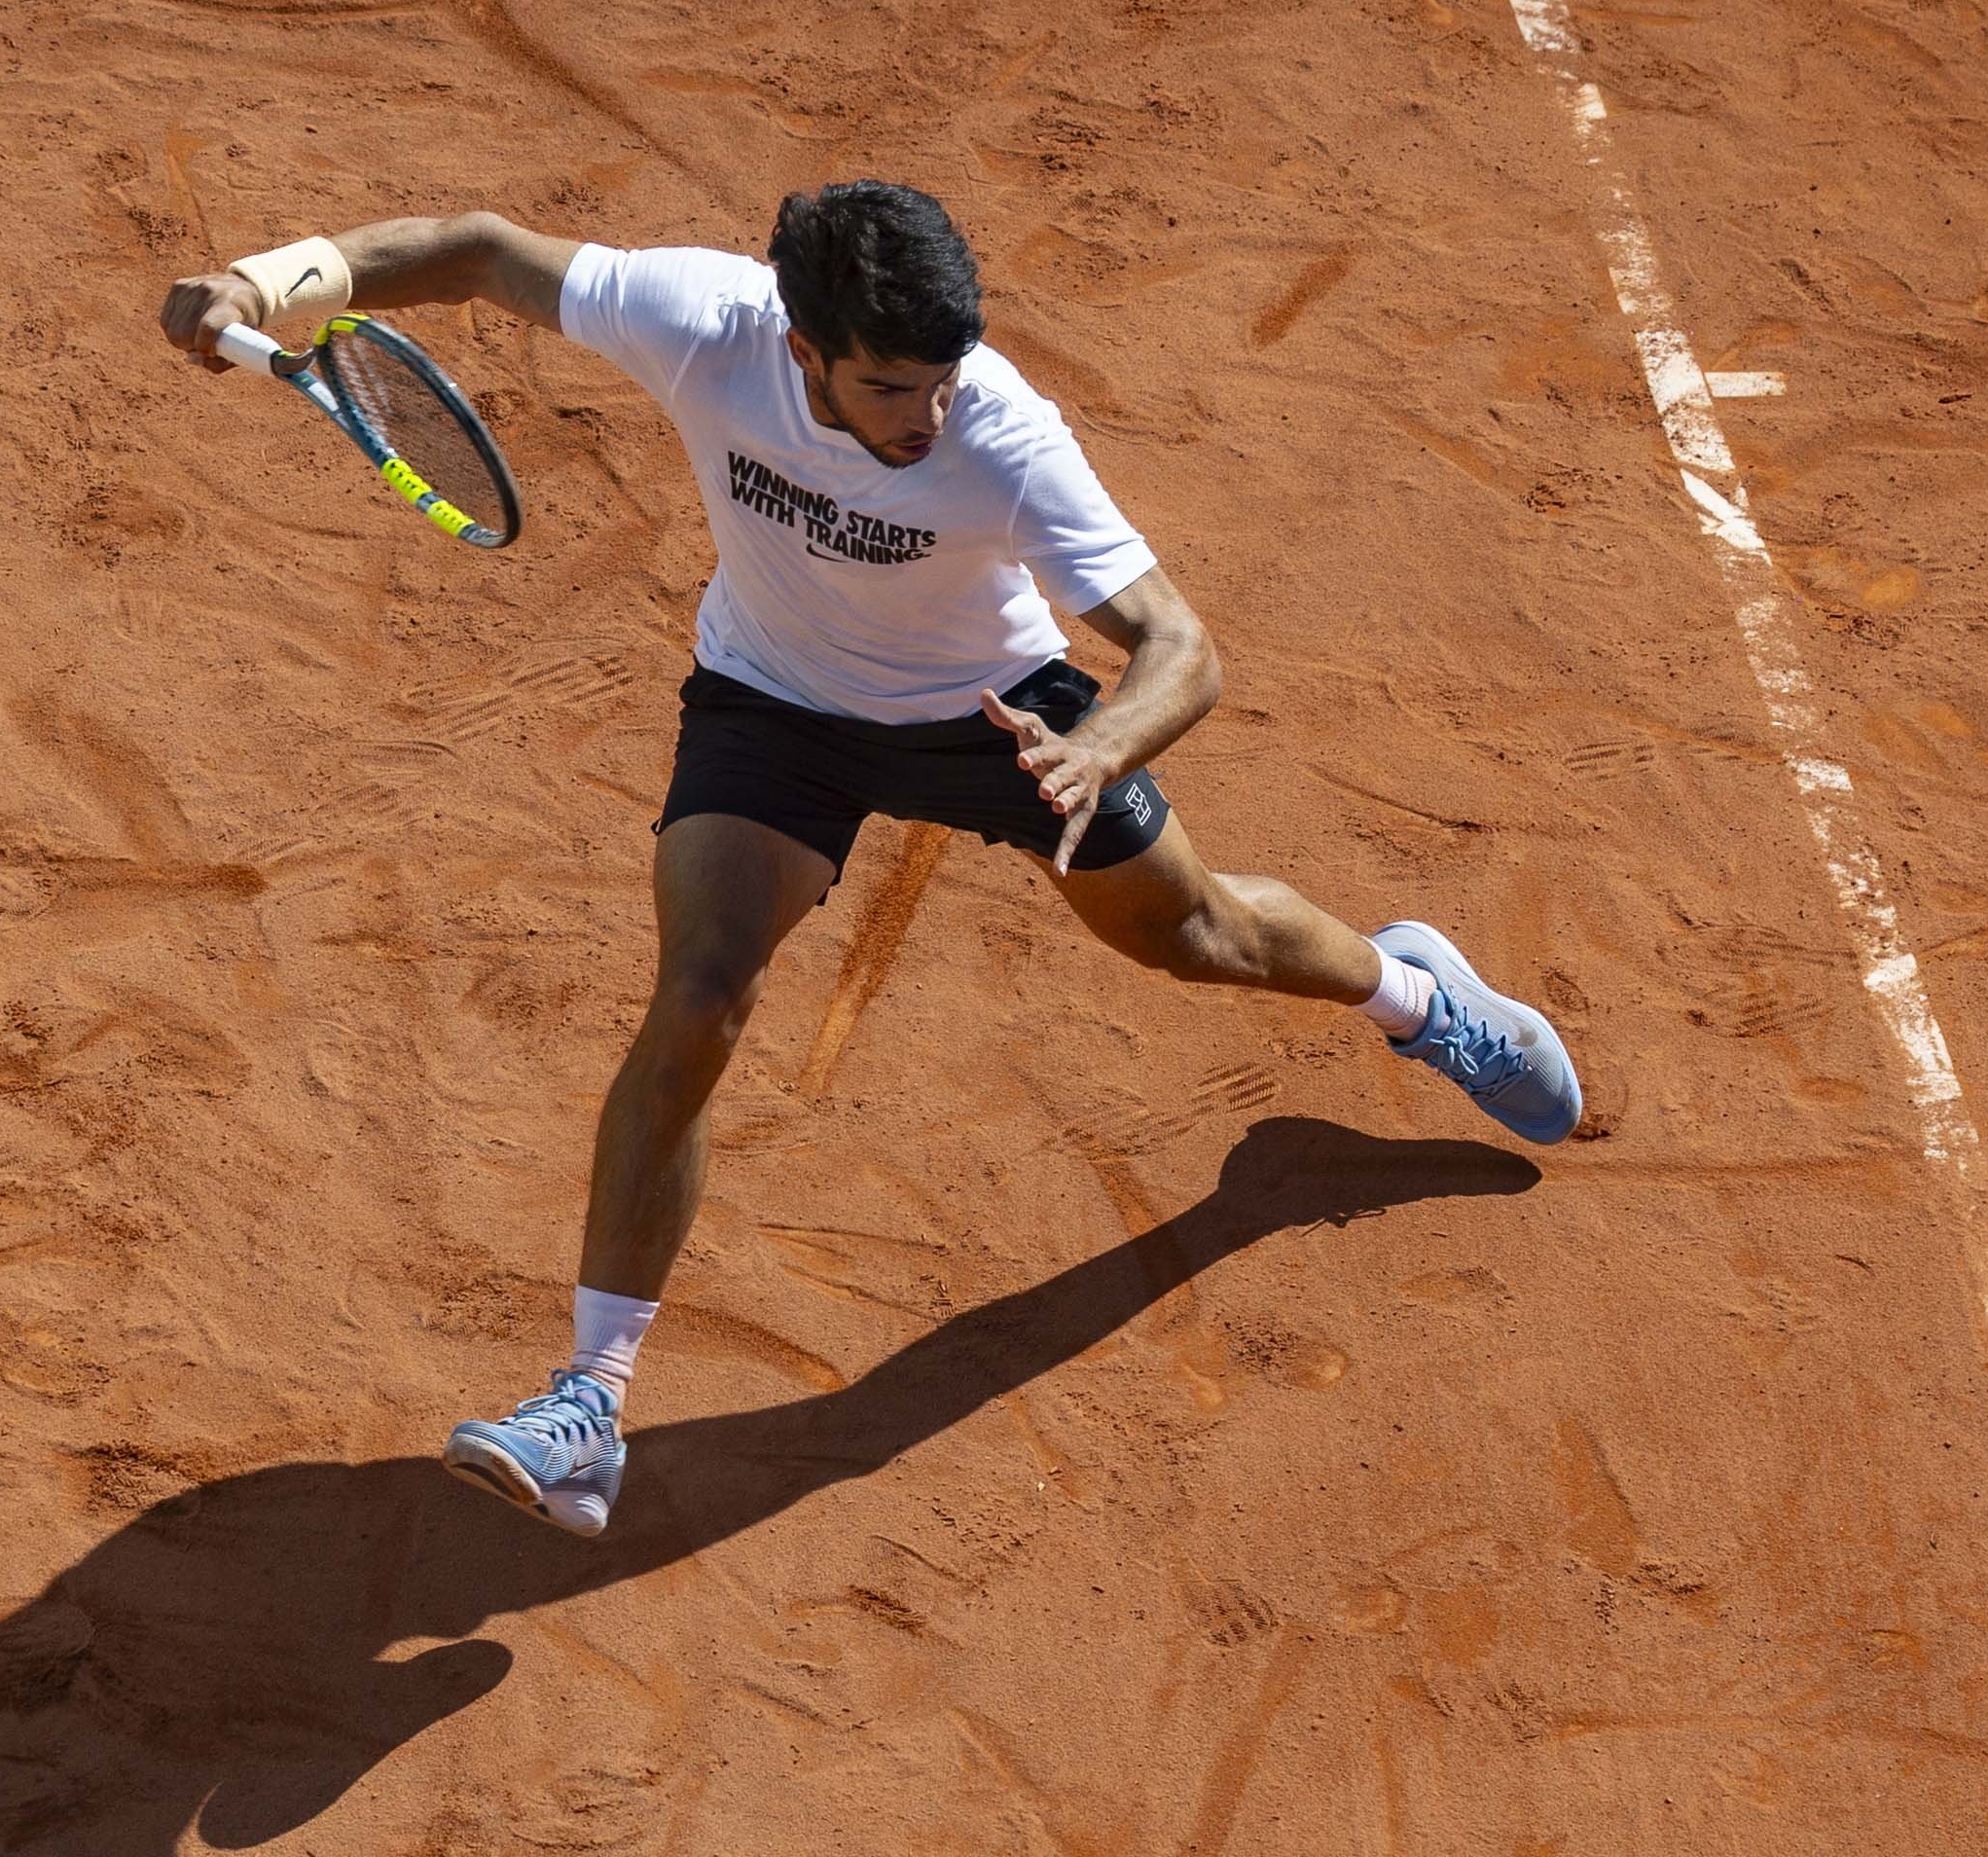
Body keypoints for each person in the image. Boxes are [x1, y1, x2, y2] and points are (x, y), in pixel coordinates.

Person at [159, 183, 1579, 1537]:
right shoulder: (701, 320)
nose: (928, 411)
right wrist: (269, 280)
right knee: (702, 997)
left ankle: (1415, 995)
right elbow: (471, 247)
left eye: (943, 378)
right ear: (804, 350)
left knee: (1197, 937)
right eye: (891, 385)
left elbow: (1180, 648)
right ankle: (588, 1405)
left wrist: (1099, 750)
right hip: (773, 709)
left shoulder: (1000, 434)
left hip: (993, 716)